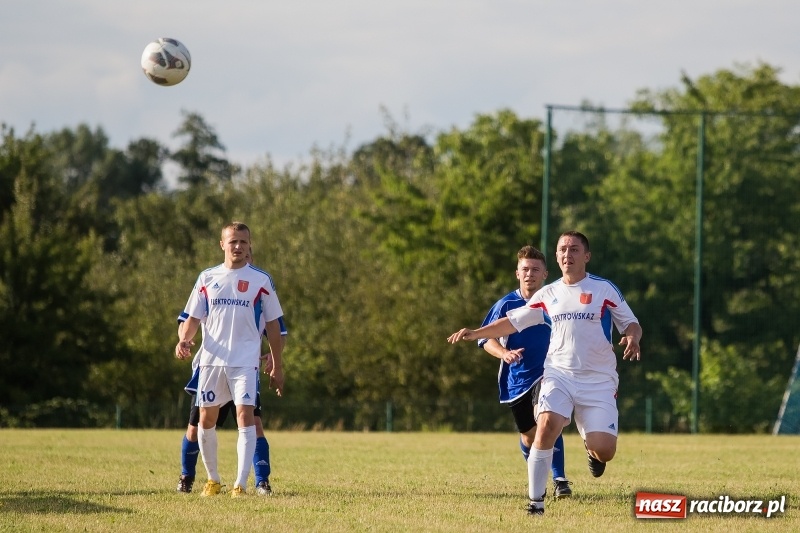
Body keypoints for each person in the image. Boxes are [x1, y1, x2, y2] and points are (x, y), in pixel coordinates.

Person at [448, 231, 642, 517]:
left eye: (574, 249)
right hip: (558, 374)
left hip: (598, 380)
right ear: (556, 256)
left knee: (605, 450)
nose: (568, 254)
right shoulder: (548, 294)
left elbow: (631, 323)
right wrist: (476, 332)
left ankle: (592, 450)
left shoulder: (604, 289)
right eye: (562, 249)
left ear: (586, 256)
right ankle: (536, 504)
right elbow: (513, 323)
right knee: (546, 426)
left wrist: (633, 337)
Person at [175, 222, 285, 498]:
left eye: (243, 242)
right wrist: (185, 339)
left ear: (249, 247)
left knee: (247, 418)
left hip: (245, 362)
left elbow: (274, 325)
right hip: (211, 362)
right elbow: (192, 319)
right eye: (233, 241)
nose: (238, 246)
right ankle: (208, 479)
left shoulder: (261, 280)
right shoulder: (207, 277)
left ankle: (243, 484)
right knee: (202, 421)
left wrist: (277, 363)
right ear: (222, 244)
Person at [477, 245, 572, 499]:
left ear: (545, 274)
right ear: (517, 273)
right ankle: (535, 472)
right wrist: (504, 354)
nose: (530, 274)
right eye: (525, 269)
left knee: (547, 421)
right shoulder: (506, 304)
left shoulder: (556, 301)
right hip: (517, 378)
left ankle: (560, 480)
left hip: (550, 373)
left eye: (535, 269)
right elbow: (487, 339)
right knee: (529, 435)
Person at [176, 312, 287, 496]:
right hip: (211, 369)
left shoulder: (257, 286)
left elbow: (279, 331)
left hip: (244, 369)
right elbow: (188, 319)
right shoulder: (209, 284)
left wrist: (275, 357)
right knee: (195, 428)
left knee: (254, 424)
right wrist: (183, 339)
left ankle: (262, 482)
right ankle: (187, 477)